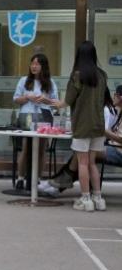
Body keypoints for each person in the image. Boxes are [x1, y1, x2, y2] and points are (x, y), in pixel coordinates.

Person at [52, 40, 108, 212]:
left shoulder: (77, 75)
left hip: (82, 125)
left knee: (82, 163)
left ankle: (85, 199)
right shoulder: (102, 75)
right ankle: (98, 199)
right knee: (92, 163)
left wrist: (52, 102)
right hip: (98, 125)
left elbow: (67, 101)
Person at [41, 85, 121, 206]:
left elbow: (114, 136)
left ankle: (60, 184)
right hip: (109, 145)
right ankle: (61, 185)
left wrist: (99, 129)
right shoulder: (114, 110)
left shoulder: (105, 110)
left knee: (83, 156)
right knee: (83, 157)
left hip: (116, 150)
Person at [12, 53, 58, 189]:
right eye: (32, 63)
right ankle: (21, 178)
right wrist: (27, 97)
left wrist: (46, 100)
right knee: (26, 147)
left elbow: (56, 103)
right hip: (27, 115)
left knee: (41, 149)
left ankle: (37, 178)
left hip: (44, 115)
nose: (34, 66)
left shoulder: (50, 82)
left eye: (37, 64)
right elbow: (16, 99)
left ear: (43, 66)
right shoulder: (24, 80)